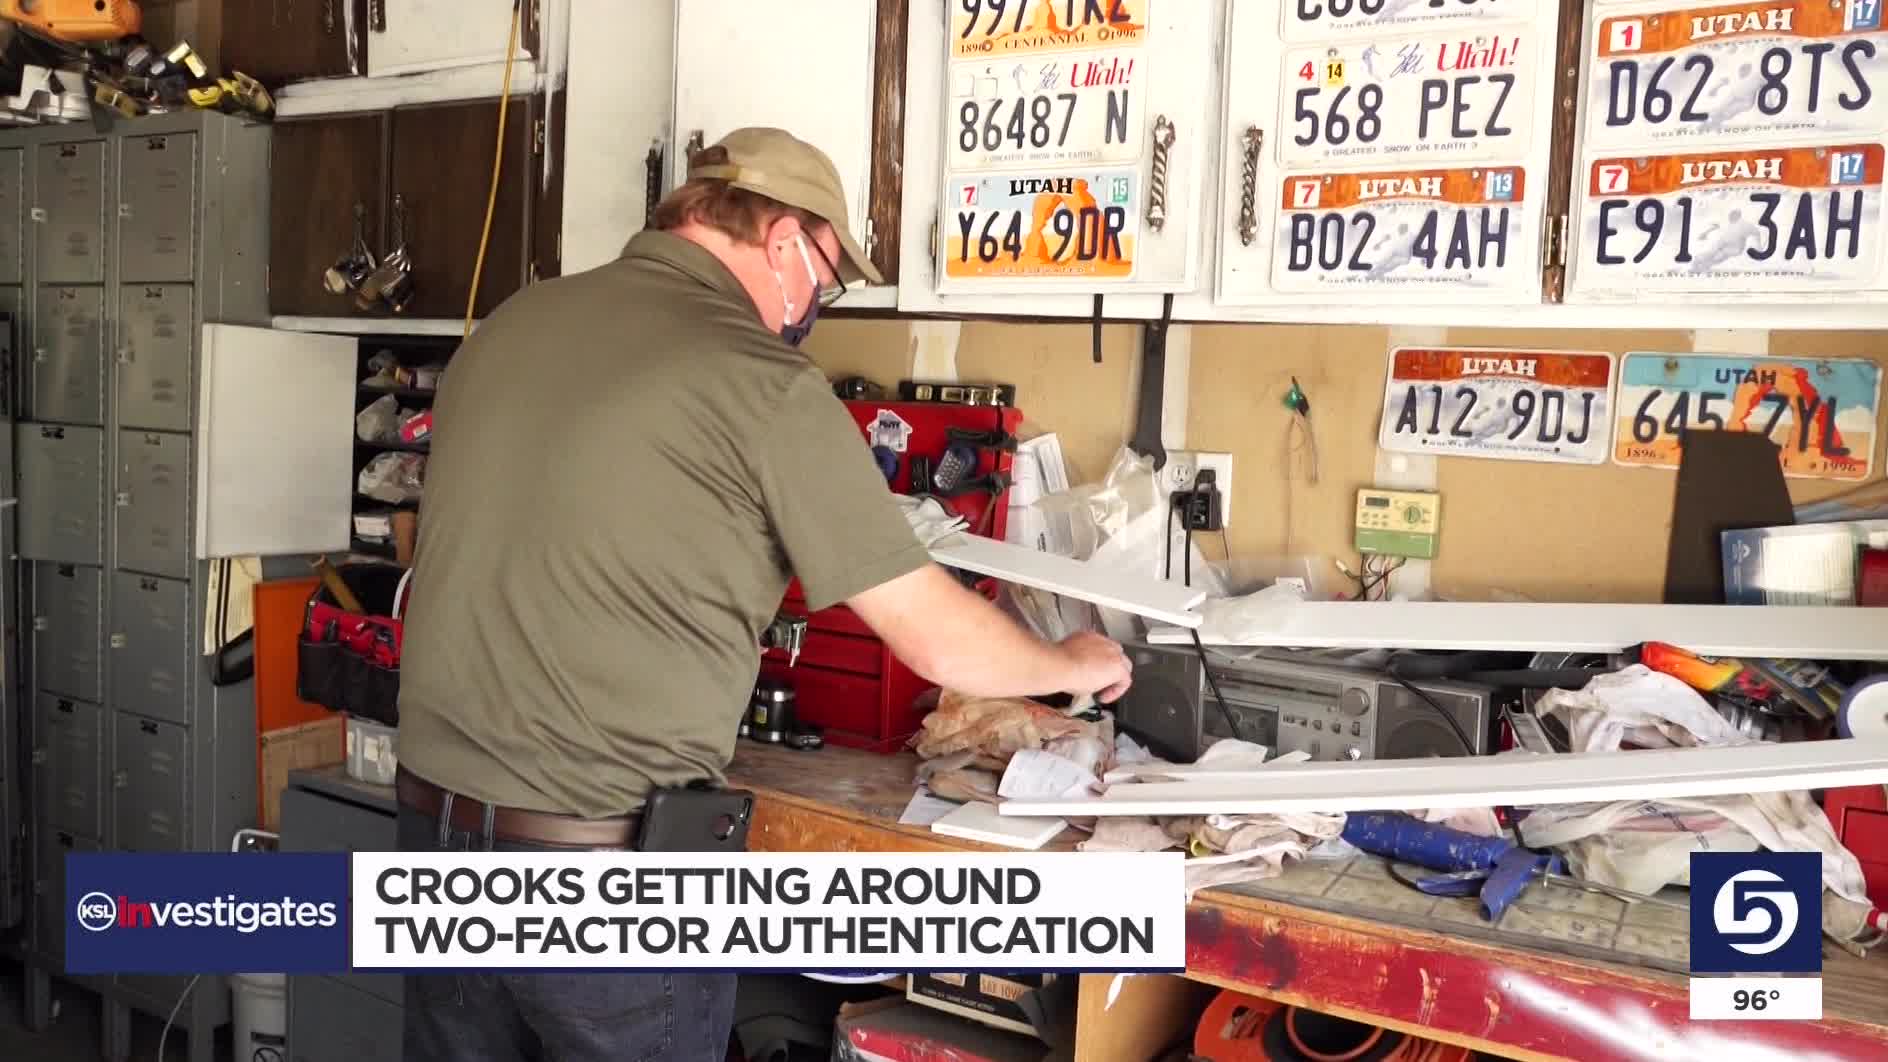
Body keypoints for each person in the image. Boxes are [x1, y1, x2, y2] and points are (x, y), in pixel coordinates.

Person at [392, 127, 1134, 1062]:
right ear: (784, 241)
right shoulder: (763, 381)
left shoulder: (510, 326)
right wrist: (1067, 662)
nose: (816, 304)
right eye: (825, 279)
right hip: (601, 874)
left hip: (432, 841)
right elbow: (934, 638)